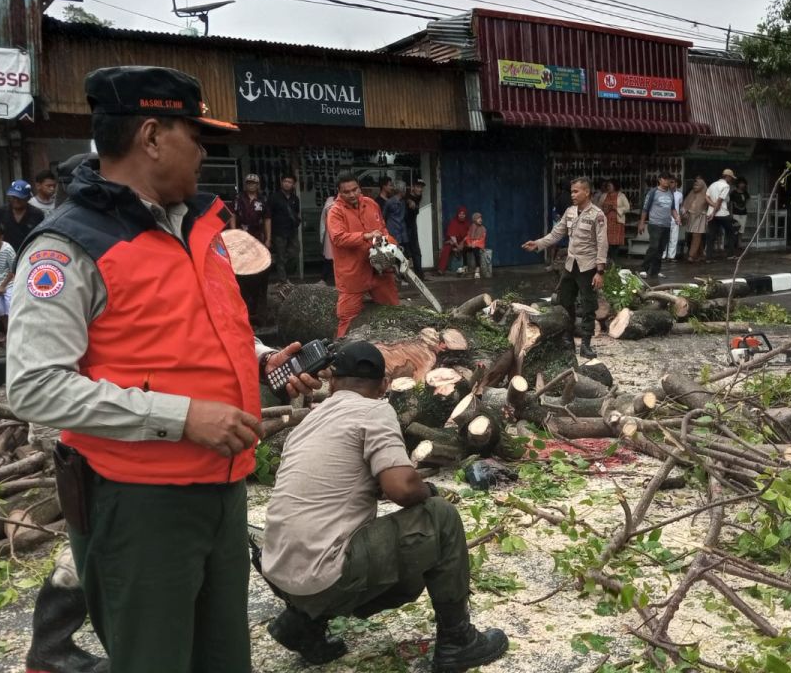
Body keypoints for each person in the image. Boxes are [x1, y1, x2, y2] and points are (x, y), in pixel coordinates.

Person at [5, 66, 319, 673]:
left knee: (223, 658)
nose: (204, 152)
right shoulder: (67, 248)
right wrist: (181, 418)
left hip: (222, 489)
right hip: (138, 503)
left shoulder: (199, 227)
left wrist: (260, 359)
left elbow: (205, 328)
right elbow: (34, 386)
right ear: (151, 136)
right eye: (194, 136)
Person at [259, 341, 509, 672]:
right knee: (441, 517)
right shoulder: (375, 410)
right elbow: (402, 488)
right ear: (384, 386)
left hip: (278, 569)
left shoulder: (309, 422)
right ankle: (458, 641)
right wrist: (428, 490)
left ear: (333, 383)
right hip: (325, 576)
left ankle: (302, 622)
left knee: (390, 566)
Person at [523, 177, 608, 359]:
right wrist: (537, 244)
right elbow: (556, 234)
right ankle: (568, 340)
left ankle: (586, 344)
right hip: (571, 265)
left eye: (576, 191)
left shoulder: (597, 215)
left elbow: (602, 244)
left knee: (588, 306)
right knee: (565, 302)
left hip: (588, 267)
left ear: (587, 192)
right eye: (572, 191)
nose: (573, 195)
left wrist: (600, 271)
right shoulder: (570, 212)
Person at [328, 172, 400, 337]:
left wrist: (390, 244)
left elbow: (382, 229)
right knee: (347, 318)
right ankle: (342, 353)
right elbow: (338, 238)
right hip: (353, 272)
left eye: (355, 189)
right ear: (339, 192)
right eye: (347, 192)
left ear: (360, 188)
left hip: (379, 269)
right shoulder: (335, 211)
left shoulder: (371, 204)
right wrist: (365, 236)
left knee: (393, 312)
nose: (352, 194)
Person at [636, 172, 676, 280]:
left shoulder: (670, 193)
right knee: (654, 246)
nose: (667, 181)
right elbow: (645, 209)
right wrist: (642, 223)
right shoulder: (653, 192)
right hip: (655, 224)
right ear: (659, 180)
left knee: (661, 249)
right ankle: (644, 268)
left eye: (669, 179)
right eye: (665, 179)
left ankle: (655, 271)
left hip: (666, 225)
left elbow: (673, 209)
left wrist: (677, 218)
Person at [0, 180, 46, 253]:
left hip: (29, 253)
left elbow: (41, 238)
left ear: (28, 197)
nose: (16, 200)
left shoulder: (37, 214)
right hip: (5, 254)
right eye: (13, 197)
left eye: (20, 198)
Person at [269, 173, 301, 281]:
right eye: (285, 181)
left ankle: (288, 276)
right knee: (280, 257)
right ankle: (283, 281)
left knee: (294, 254)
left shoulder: (295, 198)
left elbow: (296, 213)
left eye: (290, 182)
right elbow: (268, 216)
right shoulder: (274, 197)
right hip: (278, 231)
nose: (287, 184)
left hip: (292, 231)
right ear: (281, 183)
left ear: (293, 184)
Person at [705, 169, 738, 260]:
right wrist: (715, 210)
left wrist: (712, 207)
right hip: (722, 213)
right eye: (731, 178)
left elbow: (706, 197)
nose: (731, 179)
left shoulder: (712, 184)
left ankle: (708, 257)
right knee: (732, 231)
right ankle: (730, 255)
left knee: (711, 235)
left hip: (711, 212)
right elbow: (719, 200)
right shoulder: (726, 186)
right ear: (727, 177)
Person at [231, 173, 271, 246]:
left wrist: (268, 238)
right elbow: (233, 215)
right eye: (249, 183)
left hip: (257, 233)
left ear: (258, 185)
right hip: (241, 232)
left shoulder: (263, 199)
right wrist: (233, 232)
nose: (251, 185)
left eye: (253, 183)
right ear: (246, 185)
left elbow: (267, 219)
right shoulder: (238, 197)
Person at [599, 179, 629, 259]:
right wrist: (605, 210)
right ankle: (607, 259)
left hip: (617, 222)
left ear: (615, 186)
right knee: (606, 242)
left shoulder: (621, 196)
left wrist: (616, 208)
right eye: (607, 186)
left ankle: (614, 259)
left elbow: (627, 208)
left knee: (615, 243)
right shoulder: (604, 195)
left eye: (610, 185)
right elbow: (598, 207)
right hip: (606, 222)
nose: (608, 187)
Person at [683, 175, 709, 262]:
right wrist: (685, 212)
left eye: (697, 185)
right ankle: (701, 254)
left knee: (696, 235)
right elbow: (686, 204)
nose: (695, 187)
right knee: (697, 235)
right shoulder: (692, 193)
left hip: (700, 216)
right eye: (694, 185)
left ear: (702, 186)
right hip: (691, 216)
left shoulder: (706, 194)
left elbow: (710, 205)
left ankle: (691, 255)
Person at [438, 206, 470, 275]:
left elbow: (468, 235)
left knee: (467, 247)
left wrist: (461, 244)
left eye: (463, 214)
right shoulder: (454, 222)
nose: (461, 215)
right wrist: (457, 246)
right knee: (446, 248)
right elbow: (452, 236)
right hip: (454, 242)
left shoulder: (467, 223)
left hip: (463, 242)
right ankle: (441, 269)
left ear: (465, 215)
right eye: (460, 214)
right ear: (458, 214)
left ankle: (464, 268)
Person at [404, 179, 426, 275]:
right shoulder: (406, 195)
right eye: (418, 187)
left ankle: (419, 275)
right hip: (404, 226)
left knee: (416, 251)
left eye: (421, 187)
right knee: (405, 251)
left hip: (412, 226)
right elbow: (403, 197)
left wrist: (410, 201)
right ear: (413, 187)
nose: (420, 189)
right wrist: (408, 200)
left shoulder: (418, 197)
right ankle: (405, 275)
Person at [379, 177, 408, 250]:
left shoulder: (403, 202)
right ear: (401, 190)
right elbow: (383, 217)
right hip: (393, 232)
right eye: (404, 189)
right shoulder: (389, 202)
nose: (406, 191)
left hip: (401, 232)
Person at [665, 176, 684, 262]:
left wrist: (679, 217)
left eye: (672, 182)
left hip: (675, 218)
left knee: (674, 238)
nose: (671, 184)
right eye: (670, 182)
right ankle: (662, 256)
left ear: (676, 183)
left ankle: (671, 256)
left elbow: (680, 206)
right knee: (665, 238)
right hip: (665, 218)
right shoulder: (665, 193)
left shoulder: (679, 195)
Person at [320, 194, 336, 285]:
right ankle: (323, 279)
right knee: (329, 258)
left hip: (344, 234)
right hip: (330, 233)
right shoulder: (330, 200)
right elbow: (324, 217)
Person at [465, 212, 487, 278]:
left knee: (476, 251)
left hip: (479, 245)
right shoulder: (472, 227)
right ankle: (465, 266)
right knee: (464, 249)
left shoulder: (483, 228)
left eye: (481, 218)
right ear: (474, 219)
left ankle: (477, 269)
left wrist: (474, 243)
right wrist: (469, 243)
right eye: (478, 218)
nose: (480, 220)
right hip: (471, 244)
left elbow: (482, 239)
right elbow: (468, 236)